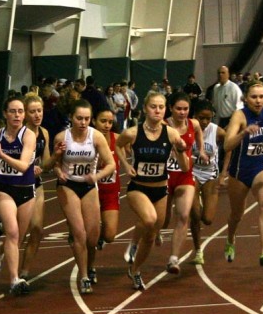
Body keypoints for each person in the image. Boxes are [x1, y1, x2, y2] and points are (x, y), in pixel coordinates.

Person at [117, 92, 188, 290]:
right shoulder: (133, 133)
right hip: (138, 188)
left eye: (161, 107)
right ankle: (133, 244)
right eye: (153, 106)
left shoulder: (171, 133)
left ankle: (136, 270)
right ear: (146, 109)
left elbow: (184, 167)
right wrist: (125, 164)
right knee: (149, 220)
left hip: (160, 190)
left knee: (151, 233)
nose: (157, 110)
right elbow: (118, 145)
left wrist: (182, 150)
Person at [51, 100, 115, 294]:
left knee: (92, 237)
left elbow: (111, 164)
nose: (83, 122)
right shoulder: (62, 137)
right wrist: (58, 171)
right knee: (79, 232)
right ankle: (84, 276)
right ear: (71, 117)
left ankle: (90, 265)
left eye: (87, 118)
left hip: (89, 186)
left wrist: (96, 176)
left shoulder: (96, 137)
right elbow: (54, 163)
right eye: (79, 118)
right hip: (68, 185)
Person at [223, 81, 263, 267]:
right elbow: (227, 146)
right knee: (236, 214)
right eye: (254, 97)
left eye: (261, 97)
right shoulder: (239, 116)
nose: (258, 101)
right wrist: (243, 133)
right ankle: (230, 239)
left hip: (261, 166)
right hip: (240, 172)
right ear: (246, 99)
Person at [0, 96, 37, 295]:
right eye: (12, 111)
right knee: (13, 233)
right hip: (4, 189)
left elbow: (24, 166)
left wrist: (2, 156)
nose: (17, 115)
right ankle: (14, 279)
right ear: (5, 114)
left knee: (18, 238)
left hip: (26, 189)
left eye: (20, 111)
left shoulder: (28, 136)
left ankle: (0, 250)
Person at [160, 92, 207, 274]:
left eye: (185, 109)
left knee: (183, 215)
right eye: (178, 109)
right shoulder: (164, 125)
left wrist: (201, 150)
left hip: (185, 174)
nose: (182, 112)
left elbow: (198, 133)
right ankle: (157, 231)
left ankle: (173, 259)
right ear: (171, 109)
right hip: (165, 176)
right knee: (163, 221)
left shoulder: (193, 124)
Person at [18, 94, 53, 280]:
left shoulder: (45, 133)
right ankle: (4, 250)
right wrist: (28, 168)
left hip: (36, 185)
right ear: (25, 114)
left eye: (39, 111)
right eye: (32, 112)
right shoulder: (19, 133)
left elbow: (46, 163)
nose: (37, 115)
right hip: (18, 185)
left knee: (38, 228)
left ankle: (24, 273)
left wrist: (56, 157)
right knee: (19, 232)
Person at [189, 100, 226, 265]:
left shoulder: (217, 131)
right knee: (195, 216)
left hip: (211, 174)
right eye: (201, 118)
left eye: (208, 118)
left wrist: (225, 171)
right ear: (194, 116)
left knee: (208, 219)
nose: (204, 122)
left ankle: (199, 204)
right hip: (192, 173)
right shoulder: (187, 129)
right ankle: (198, 251)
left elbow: (230, 145)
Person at [90, 107, 122, 285]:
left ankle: (100, 238)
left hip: (110, 192)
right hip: (90, 193)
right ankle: (90, 268)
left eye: (110, 122)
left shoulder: (117, 140)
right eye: (103, 121)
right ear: (94, 121)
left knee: (110, 235)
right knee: (90, 235)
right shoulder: (88, 141)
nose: (107, 125)